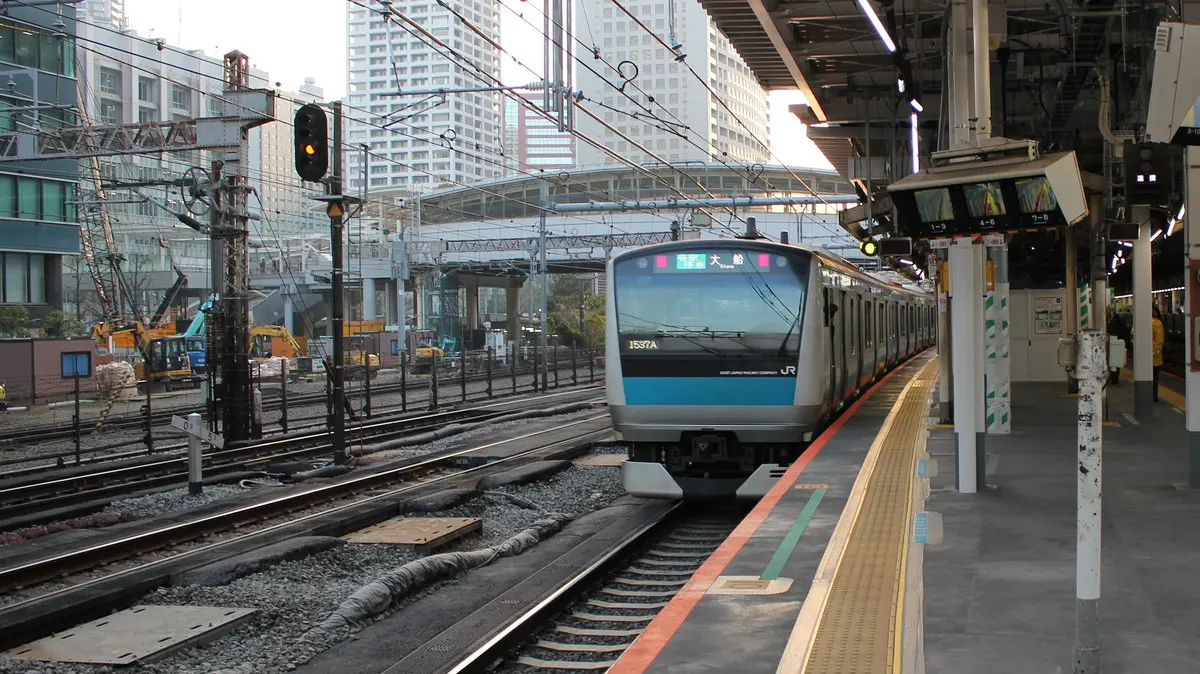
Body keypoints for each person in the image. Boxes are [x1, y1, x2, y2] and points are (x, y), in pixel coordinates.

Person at [1107, 309, 1130, 385]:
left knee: (1113, 361)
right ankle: (1115, 378)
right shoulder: (1120, 320)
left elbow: (1111, 331)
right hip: (1119, 342)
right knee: (1117, 361)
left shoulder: (1113, 321)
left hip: (1114, 342)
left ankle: (1114, 378)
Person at [1152, 306, 1165, 402]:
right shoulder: (1157, 323)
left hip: (1142, 358)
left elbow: (1133, 338)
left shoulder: (1139, 322)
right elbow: (1159, 341)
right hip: (1155, 359)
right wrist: (1154, 352)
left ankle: (1145, 395)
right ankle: (1154, 396)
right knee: (1154, 379)